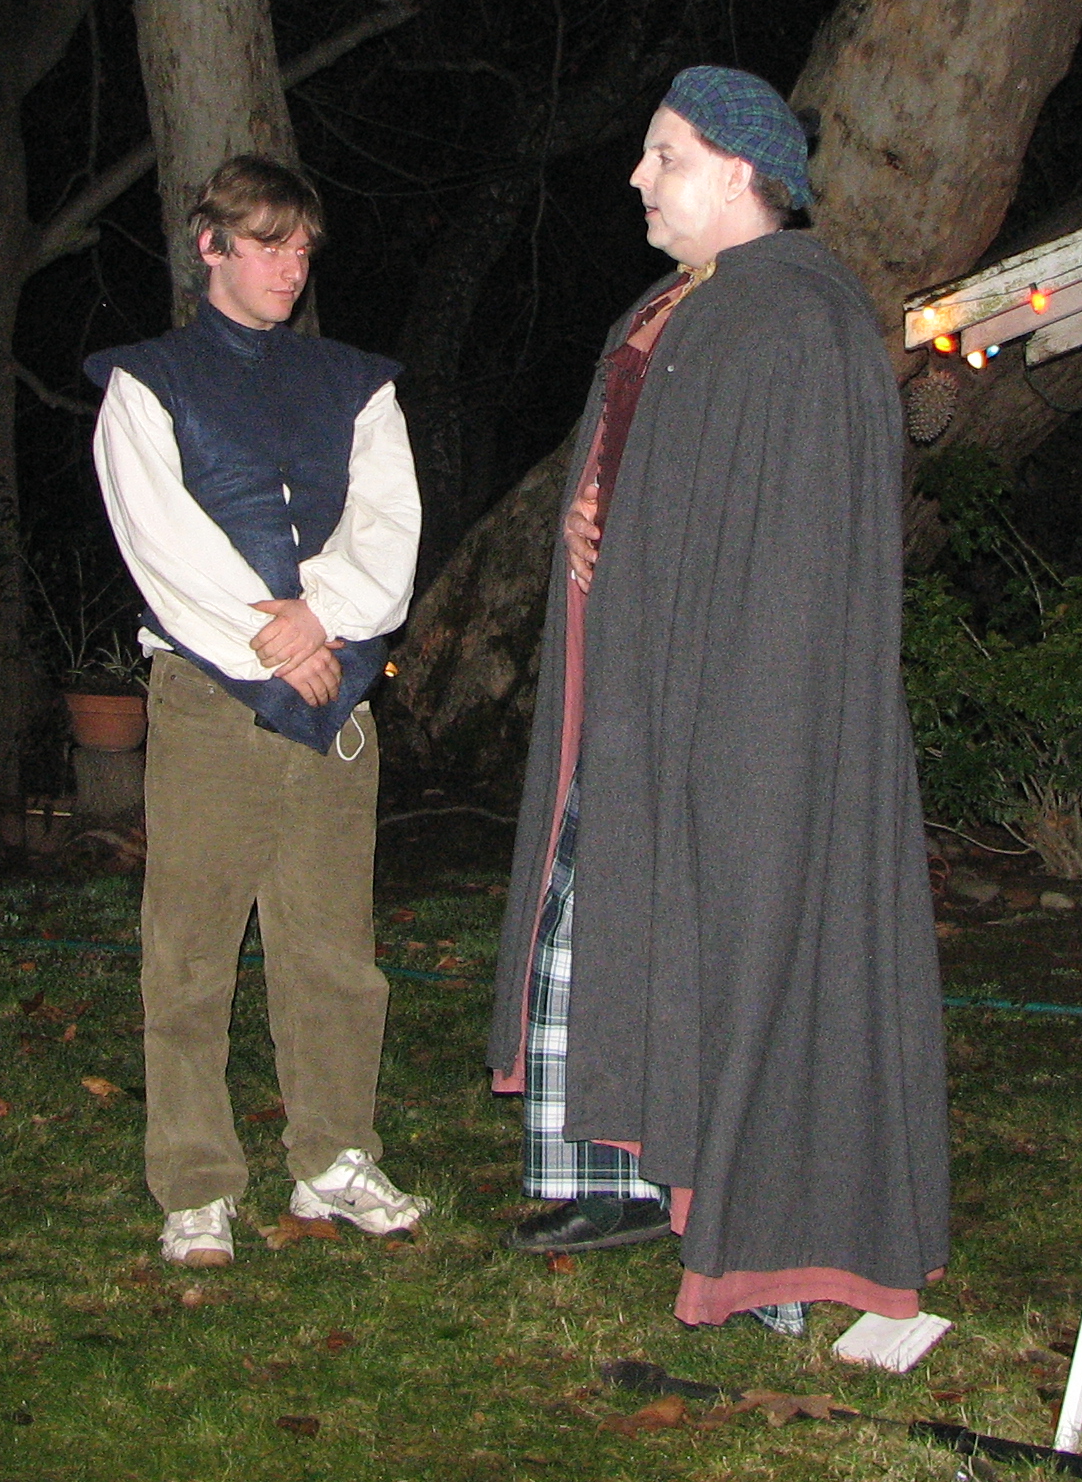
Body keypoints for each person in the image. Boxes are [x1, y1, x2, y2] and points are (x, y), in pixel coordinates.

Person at [484, 65, 952, 1335]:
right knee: (591, 913)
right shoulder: (670, 307)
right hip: (639, 676)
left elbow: (792, 547)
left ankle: (759, 1221)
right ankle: (611, 1172)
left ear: (740, 172)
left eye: (665, 155)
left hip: (744, 707)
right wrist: (589, 526)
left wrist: (745, 710)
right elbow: (638, 470)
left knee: (734, 935)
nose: (637, 176)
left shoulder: (796, 319)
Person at [86, 155, 429, 1268]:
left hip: (335, 694)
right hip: (207, 701)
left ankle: (334, 1157)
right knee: (188, 953)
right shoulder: (146, 384)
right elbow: (160, 538)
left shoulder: (356, 384)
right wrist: (270, 640)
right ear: (211, 245)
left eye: (302, 249)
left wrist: (320, 622)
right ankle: (194, 1182)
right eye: (269, 245)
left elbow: (387, 522)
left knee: (334, 949)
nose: (291, 267)